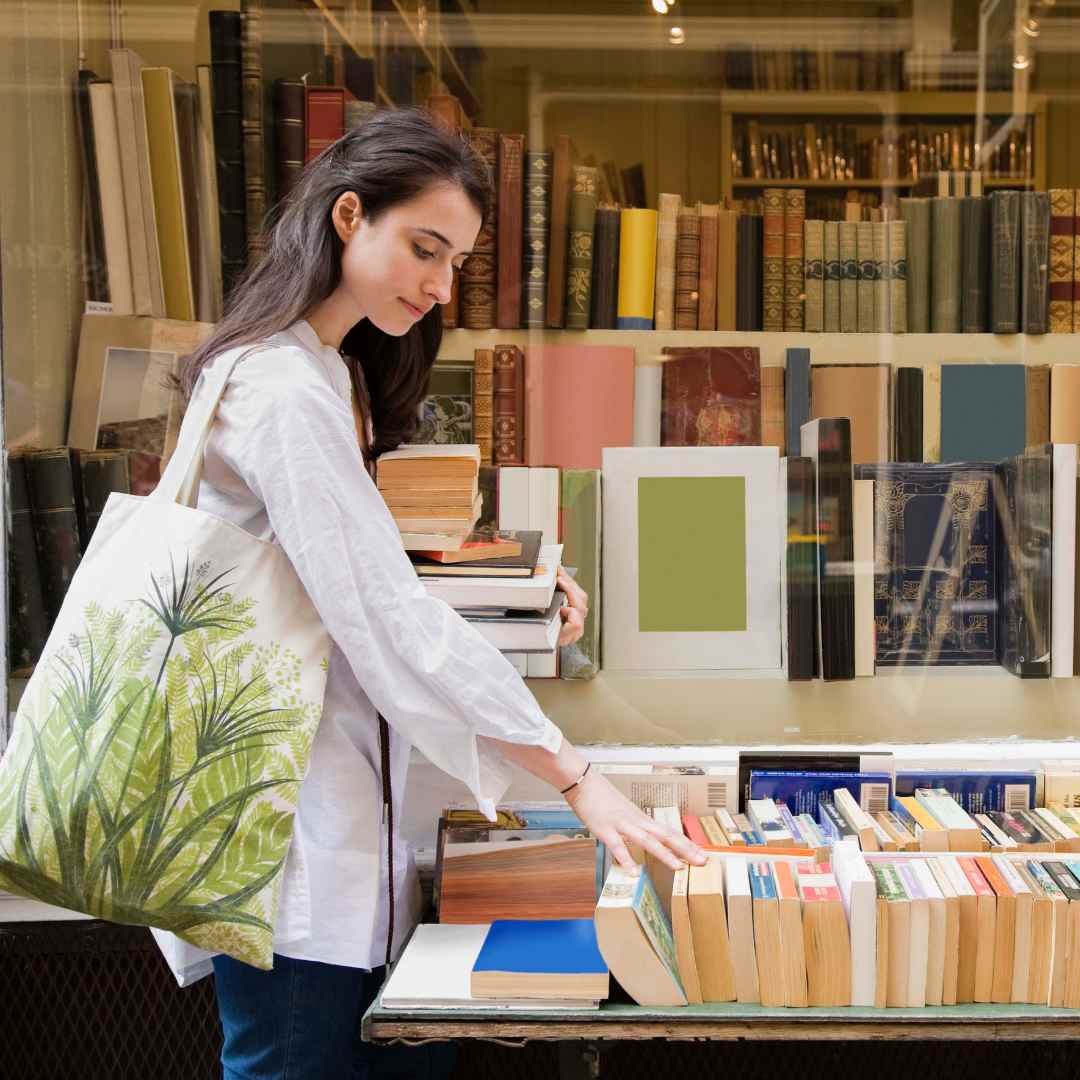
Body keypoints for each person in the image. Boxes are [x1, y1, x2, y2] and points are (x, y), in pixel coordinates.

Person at [169, 108, 705, 1080]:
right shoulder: (282, 388)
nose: (439, 285)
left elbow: (345, 578)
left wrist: (526, 594)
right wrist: (574, 777)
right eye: (424, 248)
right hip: (297, 868)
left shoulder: (326, 375)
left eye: (453, 260)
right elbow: (377, 614)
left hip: (358, 858)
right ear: (346, 218)